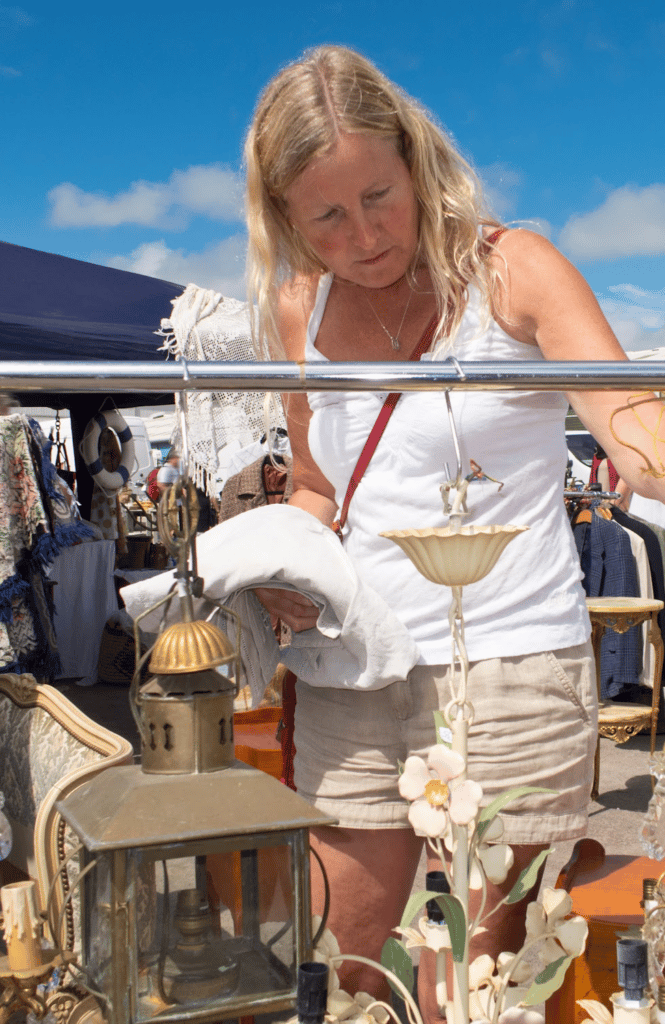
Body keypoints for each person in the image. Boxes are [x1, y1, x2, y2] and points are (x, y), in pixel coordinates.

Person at [243, 45, 665, 1018]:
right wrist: (278, 563)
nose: (364, 235)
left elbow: (633, 433)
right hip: (354, 668)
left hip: (507, 670)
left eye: (379, 197)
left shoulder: (510, 268)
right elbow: (316, 485)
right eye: (328, 216)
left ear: (415, 159)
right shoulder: (298, 303)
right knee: (331, 966)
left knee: (466, 983)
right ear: (287, 219)